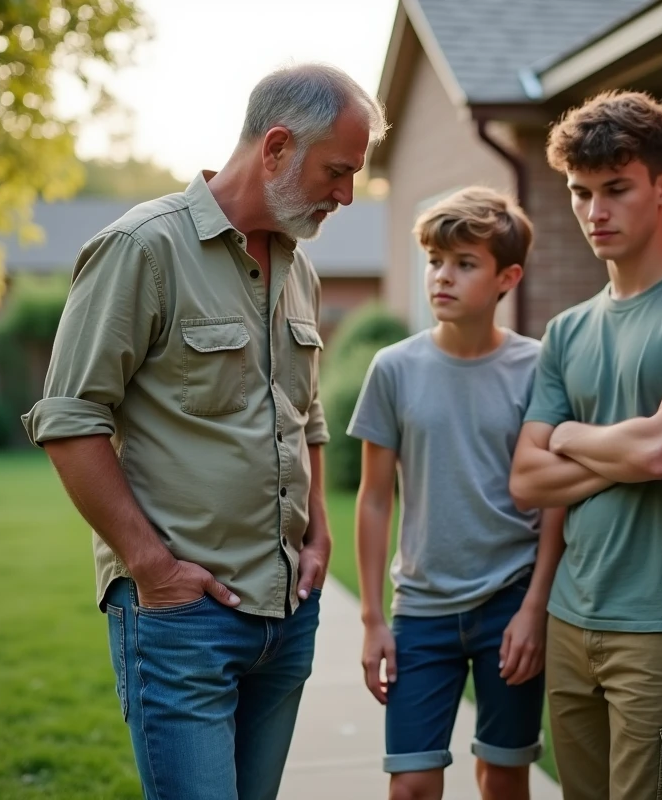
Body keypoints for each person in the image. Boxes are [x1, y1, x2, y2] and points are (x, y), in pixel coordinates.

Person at [20, 63, 388, 800]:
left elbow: (306, 414)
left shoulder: (300, 267)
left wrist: (318, 534)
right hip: (181, 620)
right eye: (338, 171)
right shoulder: (141, 249)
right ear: (277, 147)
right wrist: (152, 568)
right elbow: (69, 420)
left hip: (286, 617)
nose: (347, 196)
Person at [509, 90, 662, 800]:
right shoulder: (567, 331)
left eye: (616, 189)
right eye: (580, 192)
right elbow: (526, 481)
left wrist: (569, 436)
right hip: (573, 621)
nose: (594, 211)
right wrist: (622, 452)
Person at [348, 187, 567, 800]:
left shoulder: (538, 366)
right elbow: (372, 499)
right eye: (435, 261)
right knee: (412, 784)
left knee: (503, 776)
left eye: (464, 264)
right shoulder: (393, 368)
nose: (442, 277)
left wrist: (534, 609)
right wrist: (371, 619)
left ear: (508, 277)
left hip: (510, 602)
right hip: (422, 609)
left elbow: (554, 498)